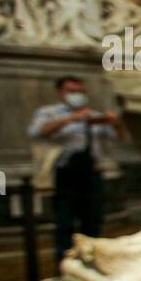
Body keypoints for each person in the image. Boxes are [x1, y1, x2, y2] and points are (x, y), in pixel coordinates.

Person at [28, 76, 126, 265]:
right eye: (72, 91)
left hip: (92, 173)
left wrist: (116, 122)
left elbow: (120, 138)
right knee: (65, 220)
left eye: (81, 92)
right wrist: (71, 119)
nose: (77, 95)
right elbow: (37, 132)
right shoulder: (49, 112)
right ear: (60, 93)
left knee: (93, 219)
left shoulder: (93, 115)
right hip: (66, 173)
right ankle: (65, 261)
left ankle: (91, 258)